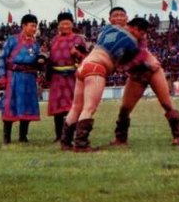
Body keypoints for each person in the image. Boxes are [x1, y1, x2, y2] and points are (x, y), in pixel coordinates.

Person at [59, 9, 148, 152]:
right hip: (96, 69)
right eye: (142, 33)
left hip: (83, 67)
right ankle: (81, 144)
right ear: (136, 29)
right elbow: (131, 63)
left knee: (76, 107)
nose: (141, 37)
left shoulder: (107, 29)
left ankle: (65, 142)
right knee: (89, 108)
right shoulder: (132, 42)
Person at [107, 14, 179, 147]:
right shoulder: (116, 38)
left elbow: (142, 54)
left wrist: (144, 65)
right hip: (137, 75)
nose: (143, 35)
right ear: (133, 28)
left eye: (144, 33)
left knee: (167, 104)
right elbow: (121, 64)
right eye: (141, 32)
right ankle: (121, 139)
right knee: (125, 109)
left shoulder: (141, 38)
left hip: (153, 72)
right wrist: (143, 65)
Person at [0, 13, 45, 144]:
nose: (34, 28)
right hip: (14, 77)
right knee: (10, 105)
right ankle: (7, 137)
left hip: (29, 78)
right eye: (32, 25)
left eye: (36, 26)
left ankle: (23, 136)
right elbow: (2, 58)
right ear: (24, 25)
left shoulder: (35, 44)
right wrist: (2, 77)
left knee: (27, 106)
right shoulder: (12, 40)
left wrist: (40, 62)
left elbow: (36, 61)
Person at [47, 11, 87, 142]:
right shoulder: (53, 40)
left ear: (72, 24)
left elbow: (85, 57)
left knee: (73, 107)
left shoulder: (79, 39)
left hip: (72, 77)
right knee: (58, 109)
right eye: (62, 24)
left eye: (67, 23)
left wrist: (77, 54)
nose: (65, 26)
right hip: (56, 78)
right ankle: (59, 135)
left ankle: (72, 134)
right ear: (58, 25)